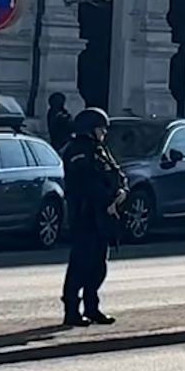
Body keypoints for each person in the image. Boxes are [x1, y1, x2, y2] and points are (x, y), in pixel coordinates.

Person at [61, 108, 128, 327]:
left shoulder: (100, 150)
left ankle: (92, 307)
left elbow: (117, 174)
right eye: (101, 129)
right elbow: (85, 183)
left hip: (102, 218)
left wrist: (121, 192)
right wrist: (107, 199)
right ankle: (72, 310)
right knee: (80, 264)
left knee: (98, 265)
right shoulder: (77, 152)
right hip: (85, 215)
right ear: (90, 129)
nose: (104, 133)